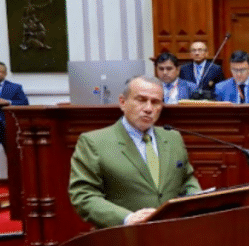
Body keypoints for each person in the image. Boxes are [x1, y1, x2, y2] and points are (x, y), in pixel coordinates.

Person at [69, 76, 200, 228]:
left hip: (172, 232)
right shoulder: (94, 142)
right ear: (122, 102)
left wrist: (198, 199)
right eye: (141, 100)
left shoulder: (173, 137)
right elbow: (84, 195)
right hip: (124, 236)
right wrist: (127, 218)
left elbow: (186, 180)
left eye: (155, 102)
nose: (149, 108)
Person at [0, 61, 30, 153]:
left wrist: (8, 102)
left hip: (8, 126)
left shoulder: (15, 87)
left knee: (12, 153)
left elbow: (24, 103)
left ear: (5, 73)